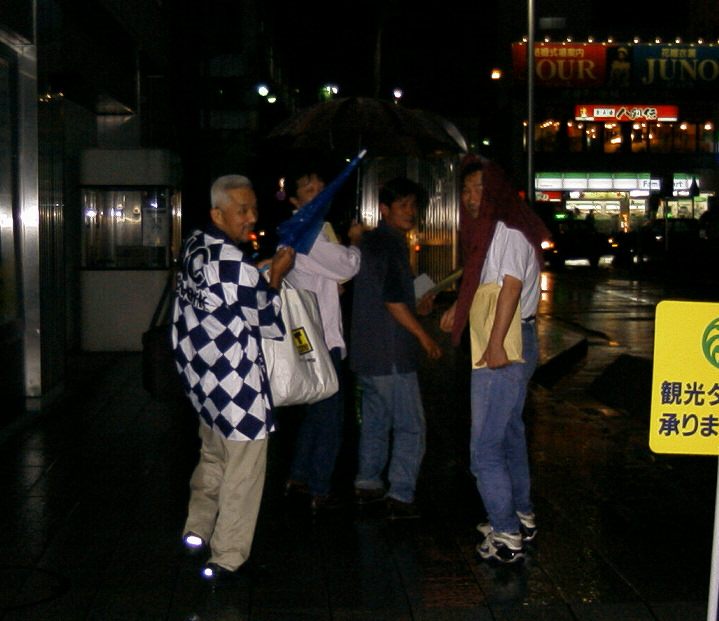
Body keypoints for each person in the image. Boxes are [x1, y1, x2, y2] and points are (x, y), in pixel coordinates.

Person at [172, 174, 295, 581]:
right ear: (218, 214)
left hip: (201, 379)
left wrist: (254, 274)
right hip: (237, 385)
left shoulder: (196, 244)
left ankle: (197, 528)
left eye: (254, 208)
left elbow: (223, 291)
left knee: (213, 455)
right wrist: (276, 275)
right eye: (242, 210)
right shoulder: (233, 263)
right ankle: (226, 558)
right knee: (244, 471)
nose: (252, 217)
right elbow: (267, 319)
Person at [440, 156, 550, 563]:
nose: (471, 198)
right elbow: (484, 281)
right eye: (466, 191)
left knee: (485, 446)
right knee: (509, 435)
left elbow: (510, 288)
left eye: (479, 189)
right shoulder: (498, 228)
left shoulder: (506, 229)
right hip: (514, 336)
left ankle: (505, 535)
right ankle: (520, 515)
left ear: (497, 191)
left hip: (505, 340)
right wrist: (461, 309)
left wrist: (497, 344)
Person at [350, 177, 442, 520]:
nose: (410, 212)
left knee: (376, 421)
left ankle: (368, 482)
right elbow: (392, 301)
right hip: (391, 353)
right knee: (410, 426)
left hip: (366, 353)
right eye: (403, 205)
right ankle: (400, 495)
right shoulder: (390, 244)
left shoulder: (371, 243)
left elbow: (389, 296)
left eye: (413, 205)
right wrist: (424, 337)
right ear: (384, 209)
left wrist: (418, 305)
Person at [282, 164, 365, 513]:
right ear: (294, 199)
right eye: (309, 189)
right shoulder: (310, 233)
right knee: (331, 416)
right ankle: (320, 488)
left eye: (322, 186)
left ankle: (298, 476)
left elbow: (319, 276)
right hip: (319, 337)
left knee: (316, 412)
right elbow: (348, 265)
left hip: (306, 335)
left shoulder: (297, 230)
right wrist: (355, 241)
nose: (319, 192)